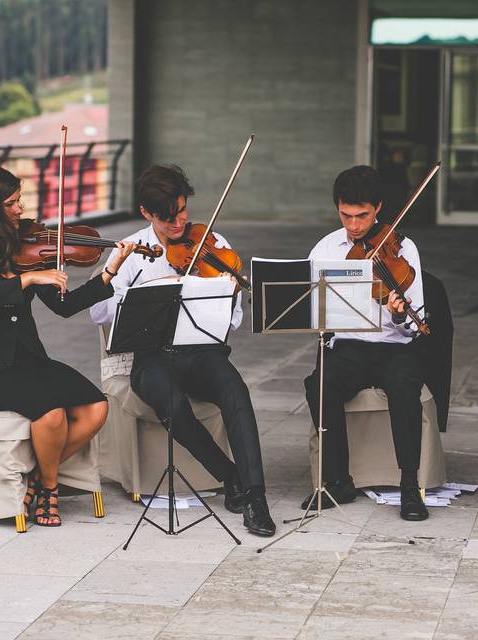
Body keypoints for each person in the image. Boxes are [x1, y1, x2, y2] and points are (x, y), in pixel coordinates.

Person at [0, 165, 137, 527]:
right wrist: (27, 278)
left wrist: (110, 271)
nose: (20, 209)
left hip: (25, 360)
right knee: (52, 412)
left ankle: (36, 480)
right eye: (11, 203)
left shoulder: (23, 246)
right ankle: (49, 489)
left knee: (96, 407)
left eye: (18, 201)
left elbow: (64, 307)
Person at [89, 164, 276, 537]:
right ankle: (229, 476)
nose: (178, 224)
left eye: (182, 212)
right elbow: (98, 312)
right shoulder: (131, 251)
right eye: (167, 218)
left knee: (235, 392)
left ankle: (256, 498)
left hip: (202, 351)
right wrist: (139, 288)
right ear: (146, 213)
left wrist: (227, 294)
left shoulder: (212, 244)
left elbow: (233, 323)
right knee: (172, 403)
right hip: (151, 357)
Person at [302, 165, 431, 521]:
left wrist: (399, 313)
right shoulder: (327, 247)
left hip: (394, 347)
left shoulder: (403, 248)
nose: (355, 226)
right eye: (346, 216)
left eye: (362, 216)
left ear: (378, 208)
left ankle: (409, 484)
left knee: (405, 387)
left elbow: (415, 323)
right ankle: (338, 479)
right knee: (318, 385)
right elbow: (309, 304)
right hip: (349, 348)